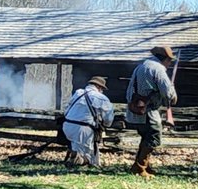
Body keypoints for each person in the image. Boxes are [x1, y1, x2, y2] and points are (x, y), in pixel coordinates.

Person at [125, 46, 178, 177]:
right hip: (149, 111)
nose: (170, 63)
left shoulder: (140, 67)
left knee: (146, 138)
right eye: (169, 60)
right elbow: (167, 92)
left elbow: (129, 91)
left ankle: (142, 165)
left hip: (137, 109)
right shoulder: (158, 69)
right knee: (153, 137)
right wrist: (172, 97)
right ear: (164, 59)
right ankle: (140, 167)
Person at [62, 76, 115, 167]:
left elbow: (67, 110)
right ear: (99, 87)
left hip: (67, 125)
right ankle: (78, 161)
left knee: (78, 146)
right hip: (83, 129)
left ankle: (75, 156)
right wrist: (105, 125)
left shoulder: (78, 93)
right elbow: (108, 118)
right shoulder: (102, 98)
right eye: (102, 88)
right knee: (89, 155)